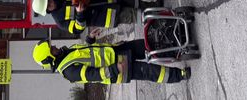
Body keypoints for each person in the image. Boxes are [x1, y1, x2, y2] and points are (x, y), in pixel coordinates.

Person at [32, 0, 162, 36]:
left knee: (135, 3)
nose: (51, 4)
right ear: (47, 11)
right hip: (106, 16)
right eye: (48, 6)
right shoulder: (60, 21)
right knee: (134, 15)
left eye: (48, 1)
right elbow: (78, 29)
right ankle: (160, 19)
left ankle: (156, 6)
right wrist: (80, 14)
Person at [32, 38, 190, 85]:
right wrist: (116, 69)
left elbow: (89, 52)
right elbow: (95, 75)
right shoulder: (68, 71)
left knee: (146, 44)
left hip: (116, 51)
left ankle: (178, 46)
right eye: (51, 49)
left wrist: (90, 39)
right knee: (150, 72)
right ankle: (179, 75)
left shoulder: (66, 52)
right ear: (50, 58)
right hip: (118, 68)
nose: (54, 47)